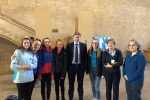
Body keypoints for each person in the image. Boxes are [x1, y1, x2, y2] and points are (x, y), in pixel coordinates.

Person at [66, 32, 87, 100]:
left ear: (80, 38)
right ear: (73, 38)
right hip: (71, 67)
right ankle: (70, 97)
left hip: (80, 67)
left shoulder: (84, 46)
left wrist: (84, 68)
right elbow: (67, 56)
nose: (77, 38)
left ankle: (80, 97)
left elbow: (85, 57)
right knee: (71, 84)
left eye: (78, 37)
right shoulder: (69, 45)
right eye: (75, 37)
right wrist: (67, 68)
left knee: (80, 84)